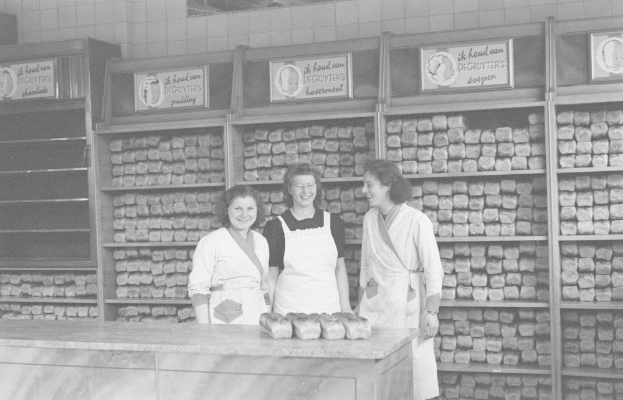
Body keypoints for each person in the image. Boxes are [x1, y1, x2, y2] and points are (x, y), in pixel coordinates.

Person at [356, 159, 443, 400]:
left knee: (413, 364)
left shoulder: (416, 220)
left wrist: (431, 311)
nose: (363, 191)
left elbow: (433, 269)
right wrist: (360, 303)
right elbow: (365, 265)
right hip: (376, 302)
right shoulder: (369, 218)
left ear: (387, 186)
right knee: (376, 369)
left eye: (369, 185)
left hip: (408, 299)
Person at [265, 163, 354, 315]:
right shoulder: (275, 227)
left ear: (316, 187)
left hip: (329, 310)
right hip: (289, 310)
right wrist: (267, 309)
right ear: (289, 189)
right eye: (299, 186)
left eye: (310, 185)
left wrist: (346, 307)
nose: (305, 191)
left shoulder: (333, 223)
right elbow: (271, 276)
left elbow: (339, 268)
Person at [188, 185, 270, 324]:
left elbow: (265, 287)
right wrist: (204, 330)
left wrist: (267, 319)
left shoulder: (261, 241)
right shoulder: (212, 241)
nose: (245, 214)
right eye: (238, 208)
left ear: (258, 210)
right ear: (226, 210)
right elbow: (198, 289)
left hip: (256, 313)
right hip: (225, 316)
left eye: (250, 208)